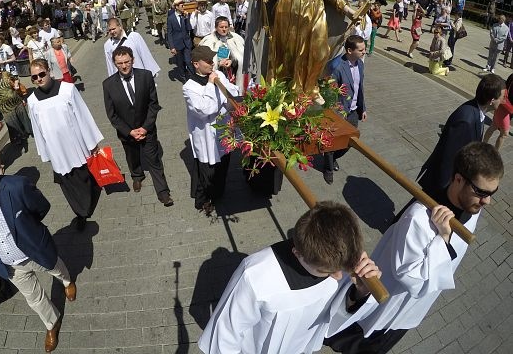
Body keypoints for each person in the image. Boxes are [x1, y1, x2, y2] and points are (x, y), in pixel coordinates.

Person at [325, 142, 504, 354]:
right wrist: (443, 240)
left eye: (492, 192)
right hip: (387, 304)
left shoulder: (472, 205)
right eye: (482, 192)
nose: (487, 201)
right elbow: (411, 280)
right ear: (458, 179)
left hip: (411, 310)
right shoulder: (418, 218)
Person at [199, 201, 381, 354]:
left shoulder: (337, 257)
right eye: (325, 272)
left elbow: (334, 315)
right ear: (297, 253)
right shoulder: (256, 275)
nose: (339, 276)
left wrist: (360, 293)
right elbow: (226, 335)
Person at [0, 146, 76, 353]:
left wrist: (29, 231)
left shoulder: (17, 186)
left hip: (35, 250)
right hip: (8, 265)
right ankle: (51, 323)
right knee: (33, 298)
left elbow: (41, 208)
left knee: (56, 268)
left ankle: (67, 280)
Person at [27, 59, 102, 231]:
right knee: (66, 182)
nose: (39, 79)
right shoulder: (32, 100)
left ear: (49, 71)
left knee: (84, 175)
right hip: (56, 149)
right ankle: (81, 212)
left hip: (74, 142)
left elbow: (83, 114)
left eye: (41, 74)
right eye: (34, 77)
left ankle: (91, 197)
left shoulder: (67, 89)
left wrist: (91, 142)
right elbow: (37, 129)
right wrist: (45, 152)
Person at [102, 46, 174, 207]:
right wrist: (129, 131)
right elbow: (112, 115)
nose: (124, 66)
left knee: (154, 160)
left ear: (133, 60)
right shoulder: (108, 84)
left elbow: (153, 104)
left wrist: (145, 127)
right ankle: (137, 176)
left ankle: (163, 192)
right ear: (115, 63)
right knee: (132, 157)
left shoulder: (145, 76)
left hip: (147, 129)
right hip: (127, 133)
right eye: (120, 63)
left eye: (127, 62)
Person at [417, 73, 505, 194]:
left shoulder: (478, 112)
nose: (504, 101)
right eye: (502, 97)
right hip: (441, 187)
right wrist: (445, 192)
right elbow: (448, 159)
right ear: (492, 100)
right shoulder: (465, 121)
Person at [183, 46, 239, 215]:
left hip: (223, 131)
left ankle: (219, 195)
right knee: (208, 172)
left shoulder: (219, 75)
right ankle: (204, 199)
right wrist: (210, 85)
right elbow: (205, 110)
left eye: (212, 60)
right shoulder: (189, 87)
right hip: (206, 136)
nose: (211, 63)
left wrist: (223, 86)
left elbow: (233, 94)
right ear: (196, 64)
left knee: (223, 166)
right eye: (207, 61)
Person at [322, 35, 367, 185]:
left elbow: (359, 89)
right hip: (338, 113)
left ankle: (333, 157)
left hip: (353, 111)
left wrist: (363, 108)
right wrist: (334, 115)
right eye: (361, 50)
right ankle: (328, 168)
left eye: (364, 49)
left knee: (350, 142)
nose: (364, 52)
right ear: (349, 50)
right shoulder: (336, 67)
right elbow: (329, 94)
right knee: (332, 142)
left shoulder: (360, 64)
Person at [0, 62, 32, 150]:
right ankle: (17, 138)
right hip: (5, 108)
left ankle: (29, 132)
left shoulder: (6, 75)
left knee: (23, 118)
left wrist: (16, 85)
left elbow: (16, 79)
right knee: (12, 124)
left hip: (17, 102)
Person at [199, 16, 246, 90]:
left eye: (226, 27)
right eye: (221, 27)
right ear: (216, 27)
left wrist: (232, 61)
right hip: (218, 75)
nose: (224, 29)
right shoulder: (208, 41)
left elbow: (242, 58)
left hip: (232, 74)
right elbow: (204, 62)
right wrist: (218, 64)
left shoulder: (236, 39)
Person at [483, 73, 513, 151]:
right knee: (504, 134)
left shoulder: (511, 75)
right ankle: (495, 152)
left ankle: (483, 144)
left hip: (501, 104)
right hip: (506, 109)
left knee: (494, 126)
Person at [167, 0, 194, 82]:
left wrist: (187, 18)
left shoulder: (185, 16)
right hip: (177, 44)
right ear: (176, 7)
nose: (183, 7)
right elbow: (169, 33)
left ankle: (192, 78)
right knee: (180, 63)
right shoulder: (171, 18)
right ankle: (183, 76)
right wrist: (172, 47)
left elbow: (189, 28)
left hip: (186, 43)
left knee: (188, 61)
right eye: (182, 6)